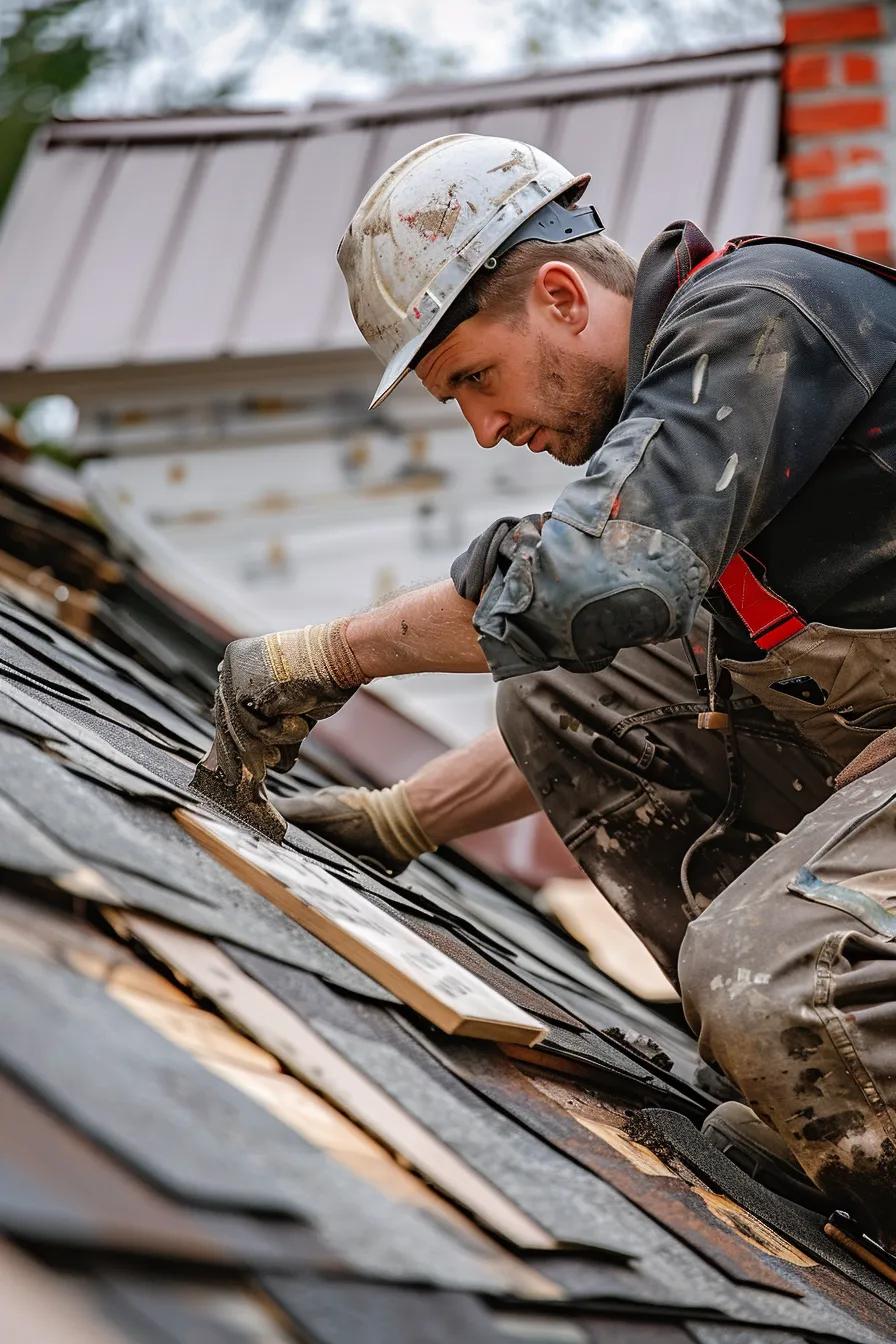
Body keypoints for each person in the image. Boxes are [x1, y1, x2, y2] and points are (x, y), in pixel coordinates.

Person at [209, 134, 896, 1246]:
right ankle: (829, 1086)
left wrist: (325, 656)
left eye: (473, 379)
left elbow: (589, 582)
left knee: (757, 975)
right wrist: (400, 820)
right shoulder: (693, 439)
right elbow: (626, 686)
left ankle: (808, 1018)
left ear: (564, 296)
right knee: (554, 695)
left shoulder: (759, 320)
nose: (484, 430)